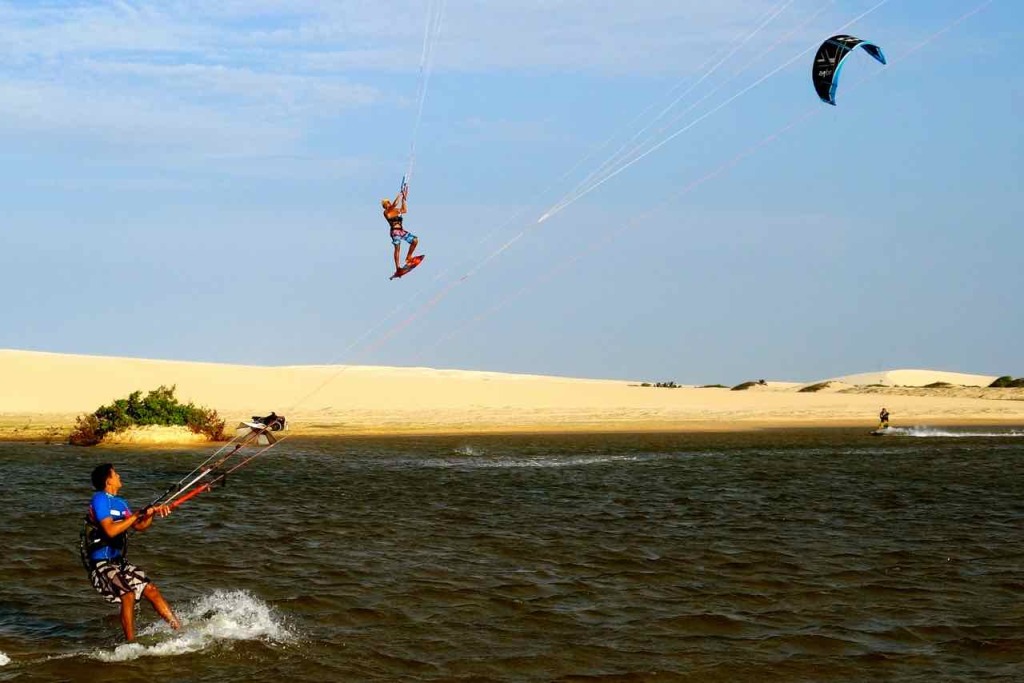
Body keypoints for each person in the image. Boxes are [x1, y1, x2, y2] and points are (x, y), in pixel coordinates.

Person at [83, 463, 180, 642]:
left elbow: (139, 526)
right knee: (127, 594)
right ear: (108, 480)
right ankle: (131, 643)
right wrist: (136, 515)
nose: (119, 476)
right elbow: (110, 530)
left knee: (151, 589)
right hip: (101, 564)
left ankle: (178, 630)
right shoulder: (100, 499)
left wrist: (151, 513)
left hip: (118, 562)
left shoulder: (121, 503)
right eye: (115, 474)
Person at [382, 185, 418, 273]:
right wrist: (400, 193)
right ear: (385, 206)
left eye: (389, 202)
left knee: (415, 240)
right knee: (397, 248)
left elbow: (404, 210)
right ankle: (398, 268)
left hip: (401, 231)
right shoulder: (386, 212)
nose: (389, 204)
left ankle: (408, 257)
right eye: (387, 203)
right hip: (394, 232)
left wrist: (403, 199)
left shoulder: (396, 210)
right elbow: (395, 204)